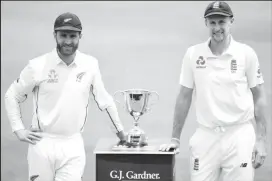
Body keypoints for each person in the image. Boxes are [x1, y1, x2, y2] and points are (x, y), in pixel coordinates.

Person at [5, 12, 127, 181]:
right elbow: (12, 95)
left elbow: (104, 102)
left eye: (73, 36)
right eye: (63, 35)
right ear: (54, 35)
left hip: (73, 144)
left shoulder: (90, 65)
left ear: (80, 36)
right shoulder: (37, 65)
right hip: (42, 144)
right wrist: (18, 129)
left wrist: (122, 135)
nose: (68, 41)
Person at [159, 1, 268, 181]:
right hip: (206, 135)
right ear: (206, 24)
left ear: (231, 21)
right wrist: (175, 139)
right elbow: (184, 97)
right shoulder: (193, 54)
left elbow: (259, 97)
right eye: (212, 23)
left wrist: (262, 140)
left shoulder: (246, 54)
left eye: (221, 22)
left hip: (239, 135)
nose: (217, 28)